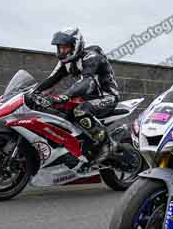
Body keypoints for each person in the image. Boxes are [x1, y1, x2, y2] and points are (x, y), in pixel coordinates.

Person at [28, 27, 121, 163]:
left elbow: (87, 82)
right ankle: (77, 148)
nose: (62, 51)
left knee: (80, 111)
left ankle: (106, 144)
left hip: (107, 96)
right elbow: (51, 79)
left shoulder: (92, 57)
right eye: (60, 47)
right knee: (60, 111)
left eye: (65, 47)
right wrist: (32, 94)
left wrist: (65, 95)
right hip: (86, 98)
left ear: (75, 45)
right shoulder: (66, 63)